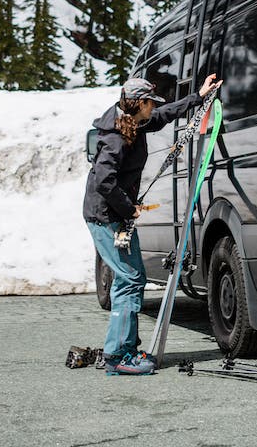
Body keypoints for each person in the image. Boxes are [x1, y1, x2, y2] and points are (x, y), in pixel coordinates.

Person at [83, 74, 218, 376]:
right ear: (140, 103)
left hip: (114, 214)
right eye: (150, 103)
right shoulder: (116, 136)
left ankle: (121, 348)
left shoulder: (132, 120)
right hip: (106, 217)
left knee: (129, 279)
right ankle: (119, 356)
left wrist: (198, 96)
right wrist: (128, 208)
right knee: (131, 279)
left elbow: (161, 117)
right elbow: (105, 180)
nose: (153, 108)